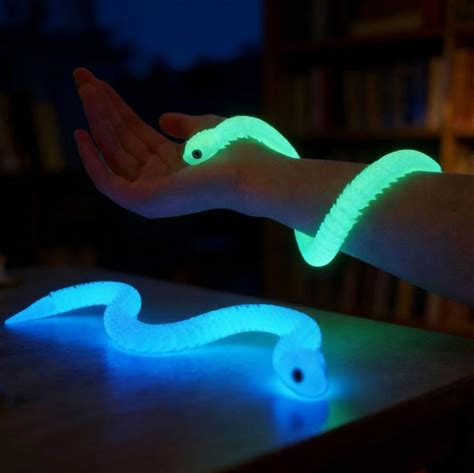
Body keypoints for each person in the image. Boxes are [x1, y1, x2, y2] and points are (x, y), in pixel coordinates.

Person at [73, 67, 474, 307]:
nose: (194, 156)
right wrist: (247, 180)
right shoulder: (235, 137)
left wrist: (248, 179)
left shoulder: (236, 133)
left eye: (198, 154)